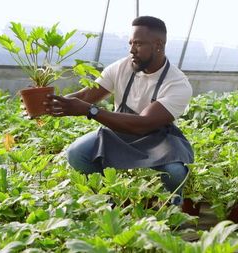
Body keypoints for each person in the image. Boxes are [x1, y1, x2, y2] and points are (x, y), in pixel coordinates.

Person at [45, 16, 194, 205]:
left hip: (156, 139)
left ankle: (171, 211)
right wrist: (46, 104)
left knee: (175, 172)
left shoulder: (177, 83)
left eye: (139, 44)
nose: (132, 50)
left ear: (158, 45)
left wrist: (92, 111)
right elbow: (85, 97)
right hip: (117, 133)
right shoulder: (121, 67)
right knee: (77, 153)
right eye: (131, 43)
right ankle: (108, 203)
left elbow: (143, 125)